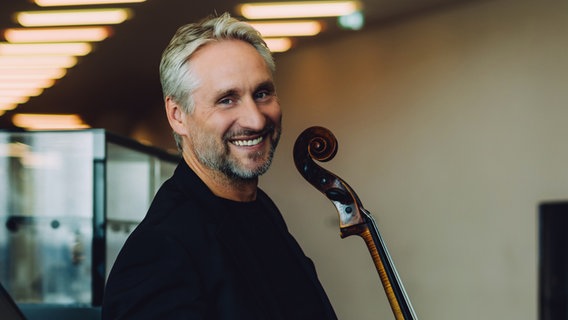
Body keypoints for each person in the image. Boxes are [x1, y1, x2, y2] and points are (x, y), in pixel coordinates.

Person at [102, 13, 338, 320]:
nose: (255, 119)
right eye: (227, 99)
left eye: (262, 93)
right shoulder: (160, 251)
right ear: (177, 115)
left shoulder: (259, 210)